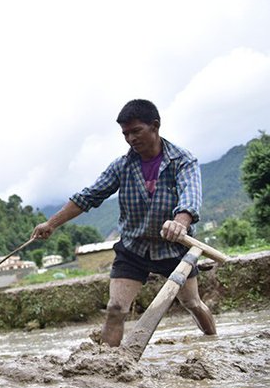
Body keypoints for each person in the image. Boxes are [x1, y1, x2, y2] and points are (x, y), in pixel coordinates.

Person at [32, 99, 217, 347]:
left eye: (136, 131)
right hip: (133, 247)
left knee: (191, 303)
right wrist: (51, 224)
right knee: (116, 308)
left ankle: (213, 342)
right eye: (125, 134)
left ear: (155, 126)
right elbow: (88, 196)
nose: (130, 138)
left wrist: (180, 221)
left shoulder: (183, 161)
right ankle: (107, 367)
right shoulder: (122, 166)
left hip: (173, 246)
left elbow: (190, 196)